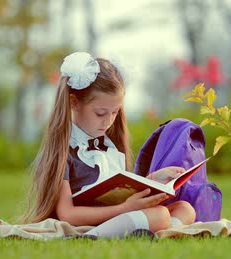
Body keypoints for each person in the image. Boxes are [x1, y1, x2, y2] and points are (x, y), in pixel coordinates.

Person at [22, 52, 196, 239]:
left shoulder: (109, 147)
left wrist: (153, 180)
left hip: (120, 216)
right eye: (100, 113)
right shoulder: (64, 152)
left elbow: (118, 189)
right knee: (159, 216)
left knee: (185, 209)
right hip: (92, 222)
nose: (108, 121)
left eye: (114, 113)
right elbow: (67, 214)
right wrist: (125, 208)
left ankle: (158, 233)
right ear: (74, 102)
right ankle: (89, 238)